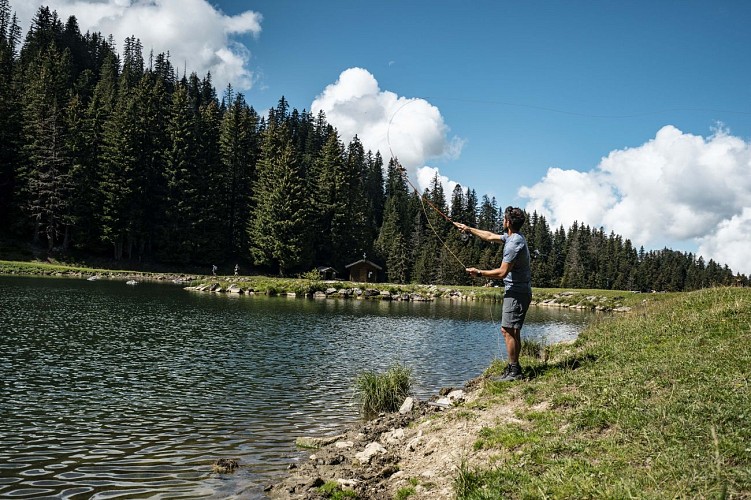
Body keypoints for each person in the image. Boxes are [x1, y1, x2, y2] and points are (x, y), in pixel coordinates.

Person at [454, 206, 532, 382]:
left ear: (508, 222)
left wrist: (479, 273)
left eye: (504, 219)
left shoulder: (513, 244)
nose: (503, 221)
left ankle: (514, 372)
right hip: (517, 291)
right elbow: (489, 236)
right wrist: (468, 229)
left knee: (507, 331)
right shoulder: (513, 237)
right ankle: (514, 367)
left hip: (516, 293)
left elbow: (502, 272)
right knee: (513, 330)